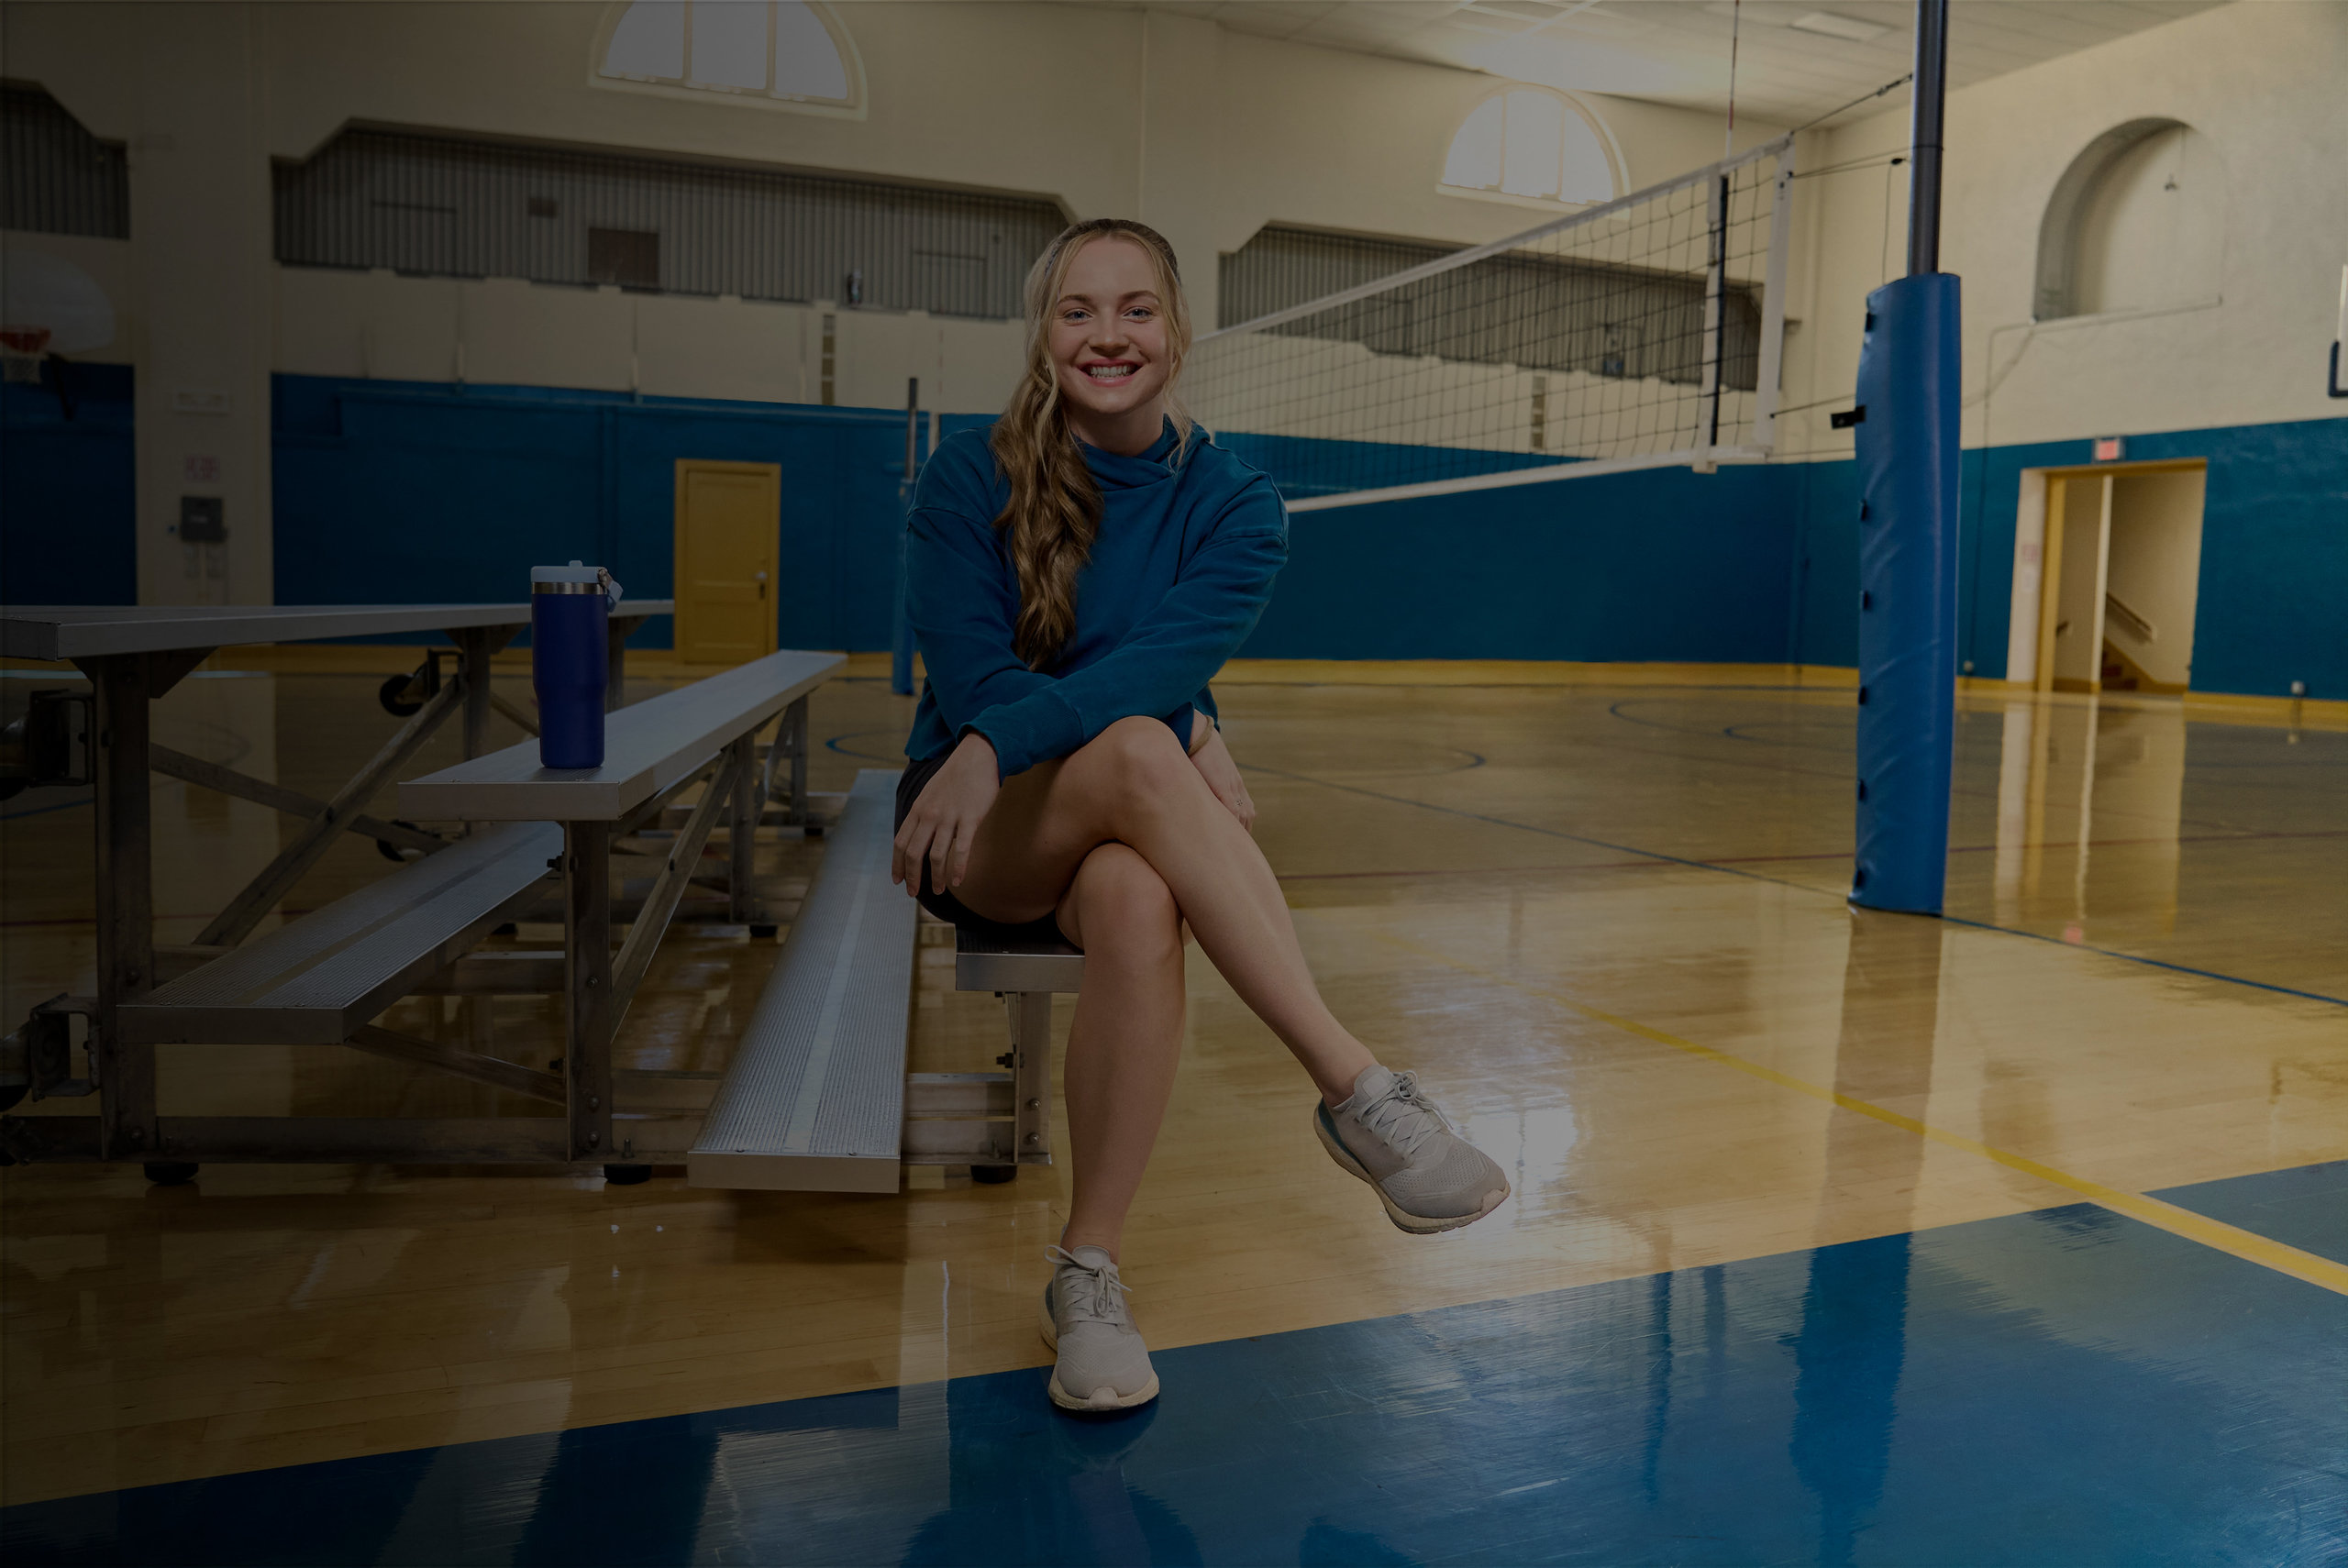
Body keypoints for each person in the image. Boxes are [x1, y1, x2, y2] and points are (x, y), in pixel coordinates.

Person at [892, 218, 1509, 1414]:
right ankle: (1356, 1089)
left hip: (1081, 808)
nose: (1107, 335)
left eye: (1135, 309)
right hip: (981, 826)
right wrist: (1170, 732)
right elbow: (989, 684)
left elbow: (1153, 666)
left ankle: (1089, 1269)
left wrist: (1166, 720)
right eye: (1078, 310)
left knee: (1137, 891)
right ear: (1044, 334)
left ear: (1178, 334)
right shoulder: (968, 480)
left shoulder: (1239, 507)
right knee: (1138, 739)